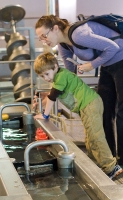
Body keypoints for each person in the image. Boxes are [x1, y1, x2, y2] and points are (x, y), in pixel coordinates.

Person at [35, 15, 123, 165]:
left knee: (121, 111)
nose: (44, 40)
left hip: (120, 59)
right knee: (104, 111)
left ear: (55, 28)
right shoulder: (63, 45)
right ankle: (109, 158)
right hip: (107, 66)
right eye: (40, 38)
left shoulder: (78, 34)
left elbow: (113, 47)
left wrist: (91, 65)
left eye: (44, 35)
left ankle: (121, 160)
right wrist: (51, 93)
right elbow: (69, 75)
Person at [33, 52, 123, 180]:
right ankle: (94, 164)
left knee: (95, 136)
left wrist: (45, 115)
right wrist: (41, 98)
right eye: (42, 76)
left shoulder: (61, 76)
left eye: (47, 74)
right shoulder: (60, 77)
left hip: (90, 104)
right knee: (90, 138)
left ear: (55, 66)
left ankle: (111, 167)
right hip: (87, 106)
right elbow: (52, 95)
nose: (46, 78)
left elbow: (52, 97)